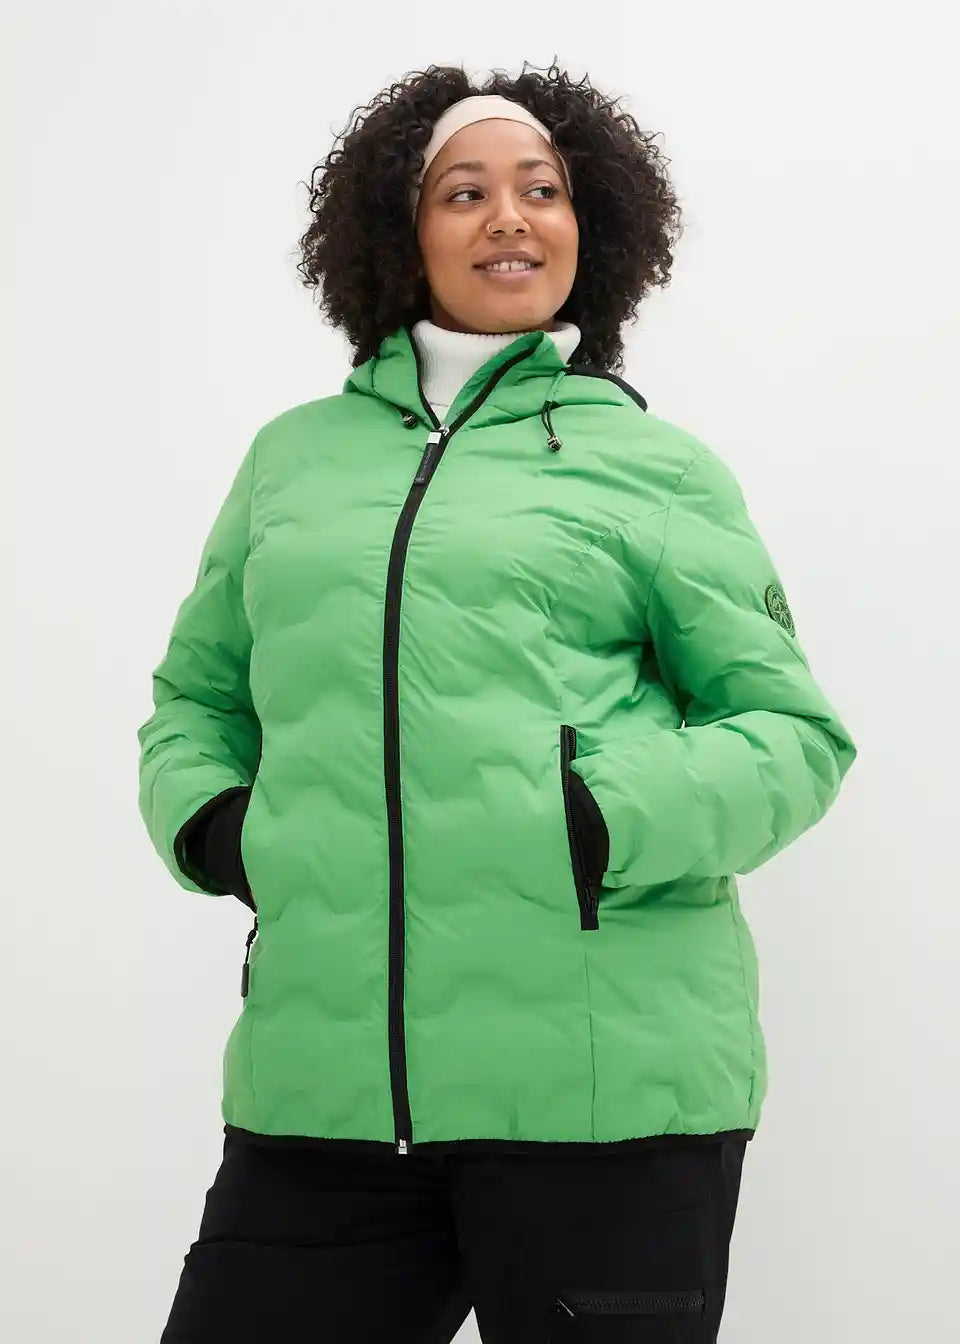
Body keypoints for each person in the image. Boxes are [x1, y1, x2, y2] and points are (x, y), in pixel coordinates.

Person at [138, 59, 857, 1344]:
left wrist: (593, 817)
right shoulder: (292, 462)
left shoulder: (654, 467)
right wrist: (222, 830)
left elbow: (793, 735)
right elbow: (196, 699)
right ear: (398, 233)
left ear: (593, 225)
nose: (510, 217)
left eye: (543, 189)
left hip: (609, 1102)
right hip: (324, 1099)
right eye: (464, 192)